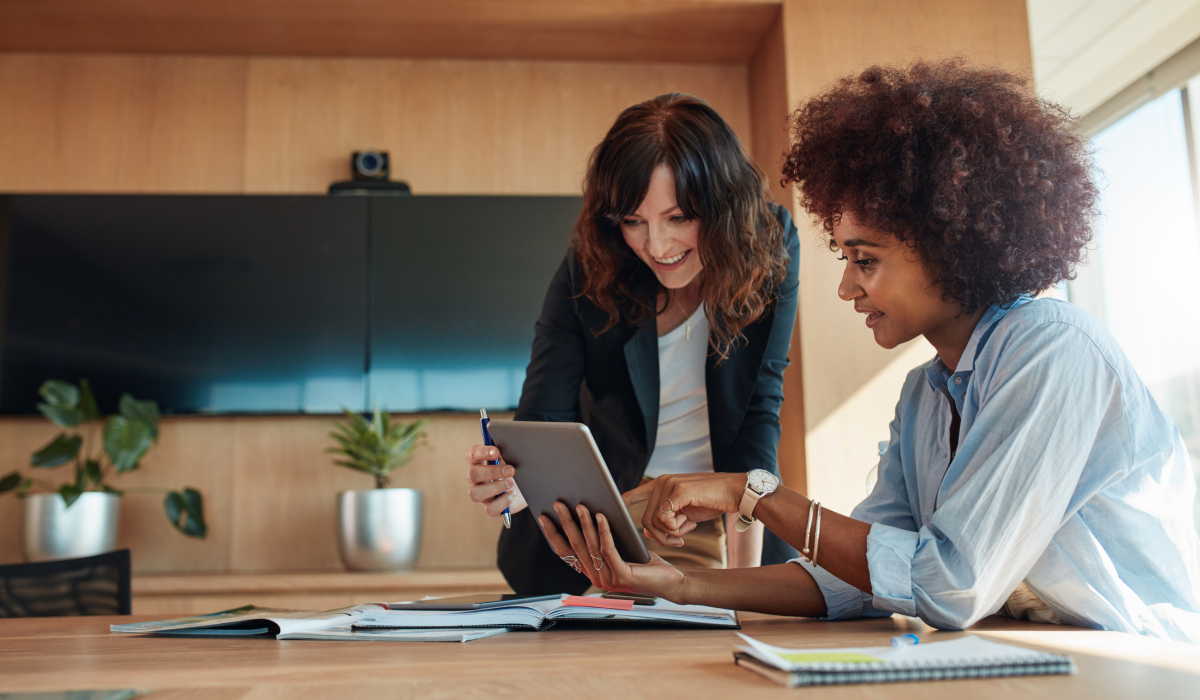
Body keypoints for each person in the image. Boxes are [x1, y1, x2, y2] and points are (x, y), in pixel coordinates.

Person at [538, 59, 1200, 642]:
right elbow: (855, 581)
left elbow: (948, 584)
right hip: (1030, 649)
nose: (847, 285)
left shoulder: (1054, 352)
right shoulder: (925, 396)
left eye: (866, 260)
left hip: (1138, 654)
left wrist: (752, 492)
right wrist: (676, 586)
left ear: (950, 243)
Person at [464, 93, 800, 595]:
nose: (657, 247)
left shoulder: (768, 246)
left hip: (722, 522)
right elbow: (543, 419)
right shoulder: (591, 262)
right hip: (602, 527)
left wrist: (745, 589)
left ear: (724, 205)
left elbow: (758, 413)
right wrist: (513, 482)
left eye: (680, 217)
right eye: (634, 222)